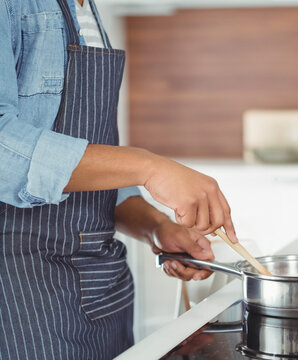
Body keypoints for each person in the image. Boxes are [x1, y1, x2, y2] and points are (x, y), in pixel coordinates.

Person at [0, 0, 237, 358]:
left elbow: (91, 158)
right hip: (23, 293)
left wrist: (156, 227)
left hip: (99, 287)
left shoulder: (88, 9)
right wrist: (148, 166)